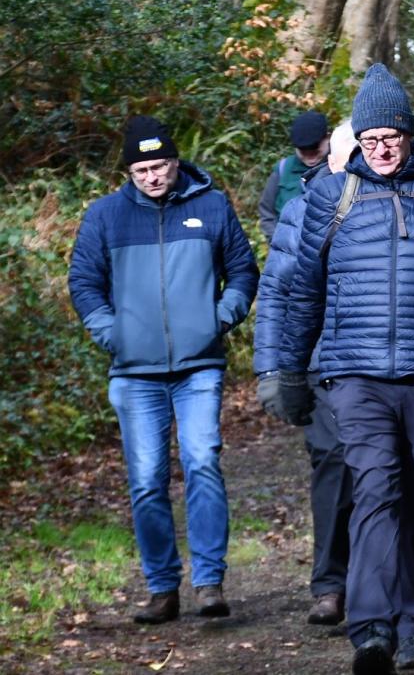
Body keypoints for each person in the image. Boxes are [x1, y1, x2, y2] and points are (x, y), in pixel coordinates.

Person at [262, 64, 414, 673]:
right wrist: (288, 371)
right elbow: (304, 292)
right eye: (369, 142)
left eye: (389, 140)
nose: (379, 152)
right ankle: (371, 628)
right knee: (376, 489)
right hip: (356, 373)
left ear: (409, 136)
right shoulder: (331, 195)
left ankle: (412, 619)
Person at [68, 115, 259, 624]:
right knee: (148, 479)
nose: (153, 177)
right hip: (134, 373)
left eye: (160, 166)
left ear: (176, 162)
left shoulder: (212, 206)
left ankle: (209, 582)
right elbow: (84, 283)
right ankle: (161, 587)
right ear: (129, 172)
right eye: (142, 169)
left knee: (201, 460)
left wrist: (220, 318)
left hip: (200, 366)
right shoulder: (105, 216)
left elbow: (242, 268)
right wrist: (115, 335)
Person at [254, 120, 357, 626]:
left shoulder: (411, 199)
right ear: (329, 159)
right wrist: (274, 369)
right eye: (348, 152)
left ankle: (382, 589)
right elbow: (275, 293)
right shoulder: (301, 210)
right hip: (321, 364)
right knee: (334, 462)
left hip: (388, 365)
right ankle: (332, 584)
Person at [259, 110, 330, 241]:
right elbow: (266, 212)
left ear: (328, 138)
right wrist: (279, 242)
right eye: (303, 152)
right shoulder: (283, 169)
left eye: (315, 151)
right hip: (288, 252)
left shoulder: (339, 166)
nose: (310, 158)